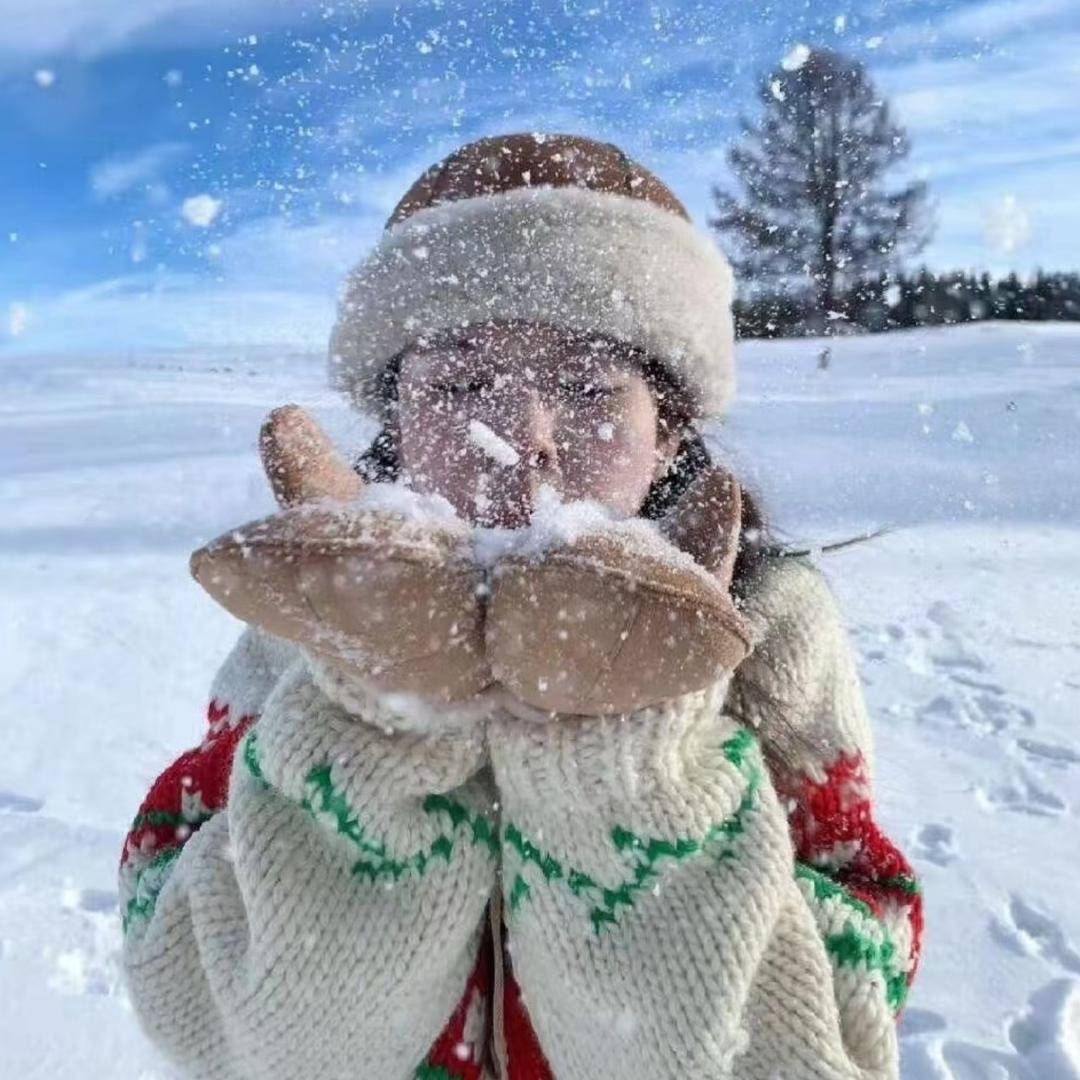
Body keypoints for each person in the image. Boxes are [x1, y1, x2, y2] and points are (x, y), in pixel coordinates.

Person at [118, 133, 922, 1080]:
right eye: (458, 384)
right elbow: (213, 1020)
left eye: (589, 388)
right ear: (397, 424)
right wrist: (376, 715)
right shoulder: (310, 628)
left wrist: (629, 756)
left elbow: (846, 1007)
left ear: (668, 434)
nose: (521, 440)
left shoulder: (765, 626)